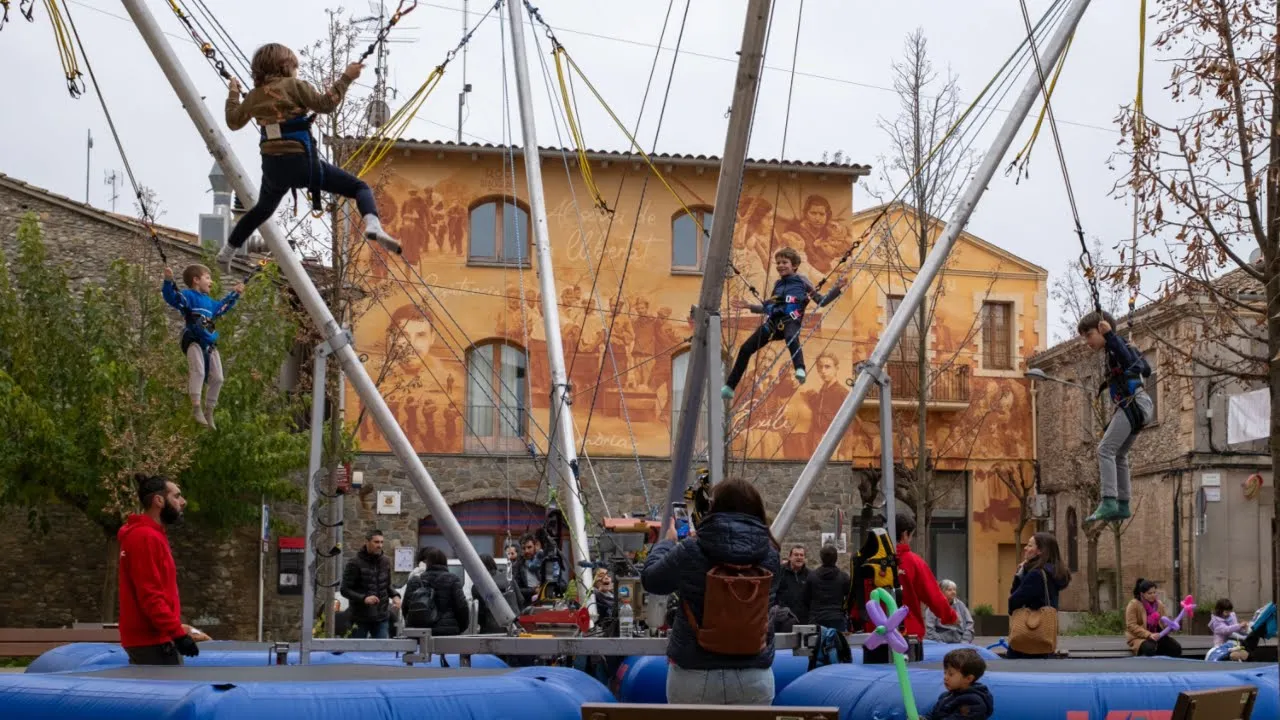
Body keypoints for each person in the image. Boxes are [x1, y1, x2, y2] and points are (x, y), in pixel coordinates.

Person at [218, 43, 400, 269]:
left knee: (261, 211)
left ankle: (227, 252)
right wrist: (347, 78)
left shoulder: (254, 97)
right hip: (303, 165)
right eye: (295, 67)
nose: (296, 72)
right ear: (285, 66)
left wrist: (233, 93)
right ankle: (373, 224)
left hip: (274, 170)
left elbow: (233, 122)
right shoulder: (295, 86)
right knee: (359, 188)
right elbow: (325, 104)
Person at [641, 478, 781, 705]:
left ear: (713, 508)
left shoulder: (691, 549)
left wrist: (667, 543)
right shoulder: (771, 555)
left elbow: (652, 580)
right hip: (753, 675)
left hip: (695, 673)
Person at [721, 247, 847, 399]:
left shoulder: (803, 281)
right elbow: (771, 307)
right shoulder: (777, 285)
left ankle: (800, 369)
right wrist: (749, 306)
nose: (780, 265)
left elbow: (821, 301)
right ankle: (730, 386)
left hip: (791, 320)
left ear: (794, 265)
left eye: (784, 262)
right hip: (773, 324)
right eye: (778, 262)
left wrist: (837, 289)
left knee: (791, 337)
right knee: (746, 348)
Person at [1077, 312, 1153, 524]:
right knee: (1119, 454)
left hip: (1133, 405)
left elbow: (1133, 363)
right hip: (1138, 407)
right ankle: (1123, 504)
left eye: (1089, 335)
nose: (1087, 341)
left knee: (1105, 450)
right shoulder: (1120, 349)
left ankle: (1109, 500)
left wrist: (1111, 337)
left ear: (1103, 329)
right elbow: (1145, 369)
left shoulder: (1115, 346)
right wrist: (1134, 349)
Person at [118, 474, 200, 665]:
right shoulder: (145, 537)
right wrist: (178, 634)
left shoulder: (151, 535)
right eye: (177, 496)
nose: (183, 502)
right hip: (152, 640)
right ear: (159, 500)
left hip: (156, 637)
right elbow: (150, 595)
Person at [161, 264, 242, 429]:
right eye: (207, 278)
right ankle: (196, 406)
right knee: (198, 370)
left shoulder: (210, 303)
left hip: (208, 341)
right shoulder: (188, 296)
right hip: (193, 339)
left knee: (218, 377)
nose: (211, 281)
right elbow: (172, 298)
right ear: (196, 280)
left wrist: (236, 293)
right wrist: (168, 281)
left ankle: (209, 410)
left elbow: (223, 307)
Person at [892, 512, 957, 640]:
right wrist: (950, 617)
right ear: (905, 534)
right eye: (911, 536)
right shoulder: (914, 562)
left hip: (875, 632)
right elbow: (933, 595)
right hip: (906, 631)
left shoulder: (872, 562)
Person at [1006, 532, 1070, 658]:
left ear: (1040, 551)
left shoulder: (1036, 574)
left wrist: (1019, 575)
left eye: (1030, 545)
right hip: (1044, 635)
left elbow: (1014, 601)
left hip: (1027, 637)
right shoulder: (1053, 573)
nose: (1025, 548)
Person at [340, 529, 399, 639]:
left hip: (381, 616)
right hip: (360, 616)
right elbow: (344, 590)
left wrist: (395, 596)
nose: (380, 545)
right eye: (376, 542)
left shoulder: (385, 561)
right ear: (367, 542)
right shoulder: (354, 563)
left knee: (381, 651)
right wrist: (364, 598)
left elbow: (387, 585)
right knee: (356, 651)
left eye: (381, 542)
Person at [403, 547, 469, 635]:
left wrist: (414, 624)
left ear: (428, 562)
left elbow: (406, 607)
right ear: (445, 562)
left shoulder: (415, 580)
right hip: (447, 632)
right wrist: (460, 627)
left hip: (420, 632)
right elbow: (462, 607)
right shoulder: (453, 579)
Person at [922, 648, 994, 720]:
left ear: (968, 678)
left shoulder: (974, 703)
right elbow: (932, 715)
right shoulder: (945, 696)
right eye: (945, 673)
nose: (945, 677)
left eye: (951, 674)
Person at [1125, 578, 1182, 657]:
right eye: (1150, 593)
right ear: (1142, 594)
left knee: (1176, 648)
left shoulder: (1159, 604)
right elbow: (1131, 625)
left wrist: (1170, 626)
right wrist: (1149, 635)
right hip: (1140, 638)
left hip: (1158, 635)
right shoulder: (1133, 604)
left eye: (1154, 592)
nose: (1153, 595)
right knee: (1150, 648)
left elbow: (1164, 621)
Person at [802, 543, 850, 631]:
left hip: (816, 618)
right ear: (836, 558)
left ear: (821, 558)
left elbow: (805, 599)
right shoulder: (843, 577)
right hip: (837, 617)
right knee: (837, 643)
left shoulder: (812, 576)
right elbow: (849, 598)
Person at [472, 553, 513, 634]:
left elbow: (479, 612)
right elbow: (520, 600)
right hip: (511, 625)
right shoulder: (508, 579)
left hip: (489, 627)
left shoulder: (477, 586)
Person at [925, 579, 975, 644]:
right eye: (949, 590)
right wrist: (940, 643)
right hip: (940, 642)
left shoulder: (960, 605)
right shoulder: (934, 606)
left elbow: (970, 624)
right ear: (941, 591)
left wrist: (965, 641)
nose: (953, 592)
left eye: (954, 589)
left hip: (960, 640)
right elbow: (929, 629)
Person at [775, 545, 810, 624]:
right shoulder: (779, 572)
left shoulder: (809, 575)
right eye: (796, 555)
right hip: (784, 619)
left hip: (804, 619)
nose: (799, 557)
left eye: (801, 555)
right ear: (790, 557)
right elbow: (772, 593)